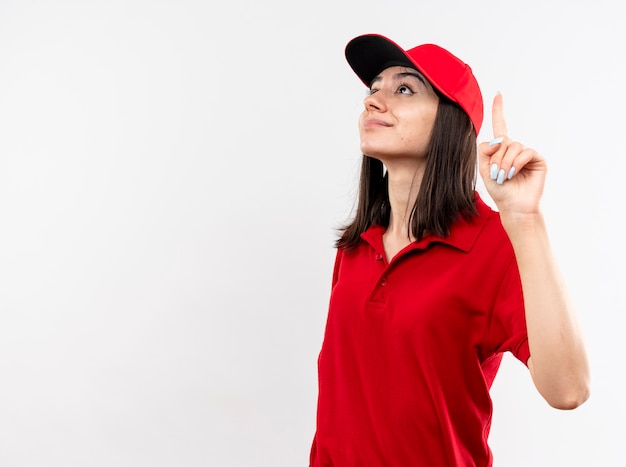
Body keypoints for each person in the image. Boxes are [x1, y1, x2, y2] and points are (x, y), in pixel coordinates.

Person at [309, 34, 590, 466]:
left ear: (451, 121)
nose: (373, 101)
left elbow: (568, 390)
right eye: (373, 88)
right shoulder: (356, 245)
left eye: (403, 89)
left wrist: (525, 220)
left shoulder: (495, 244)